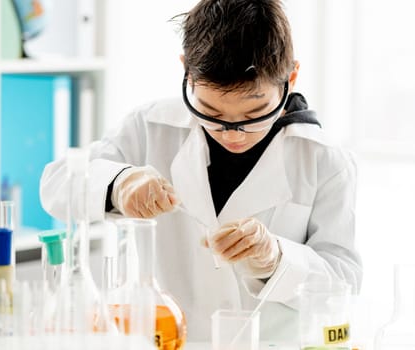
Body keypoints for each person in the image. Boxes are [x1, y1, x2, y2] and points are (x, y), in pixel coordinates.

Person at [40, 0, 361, 342]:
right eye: (210, 111)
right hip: (162, 341)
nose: (231, 132)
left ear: (291, 78)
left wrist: (276, 258)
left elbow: (343, 285)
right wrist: (119, 184)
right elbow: (56, 186)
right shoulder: (151, 126)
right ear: (187, 73)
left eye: (254, 113)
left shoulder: (325, 160)